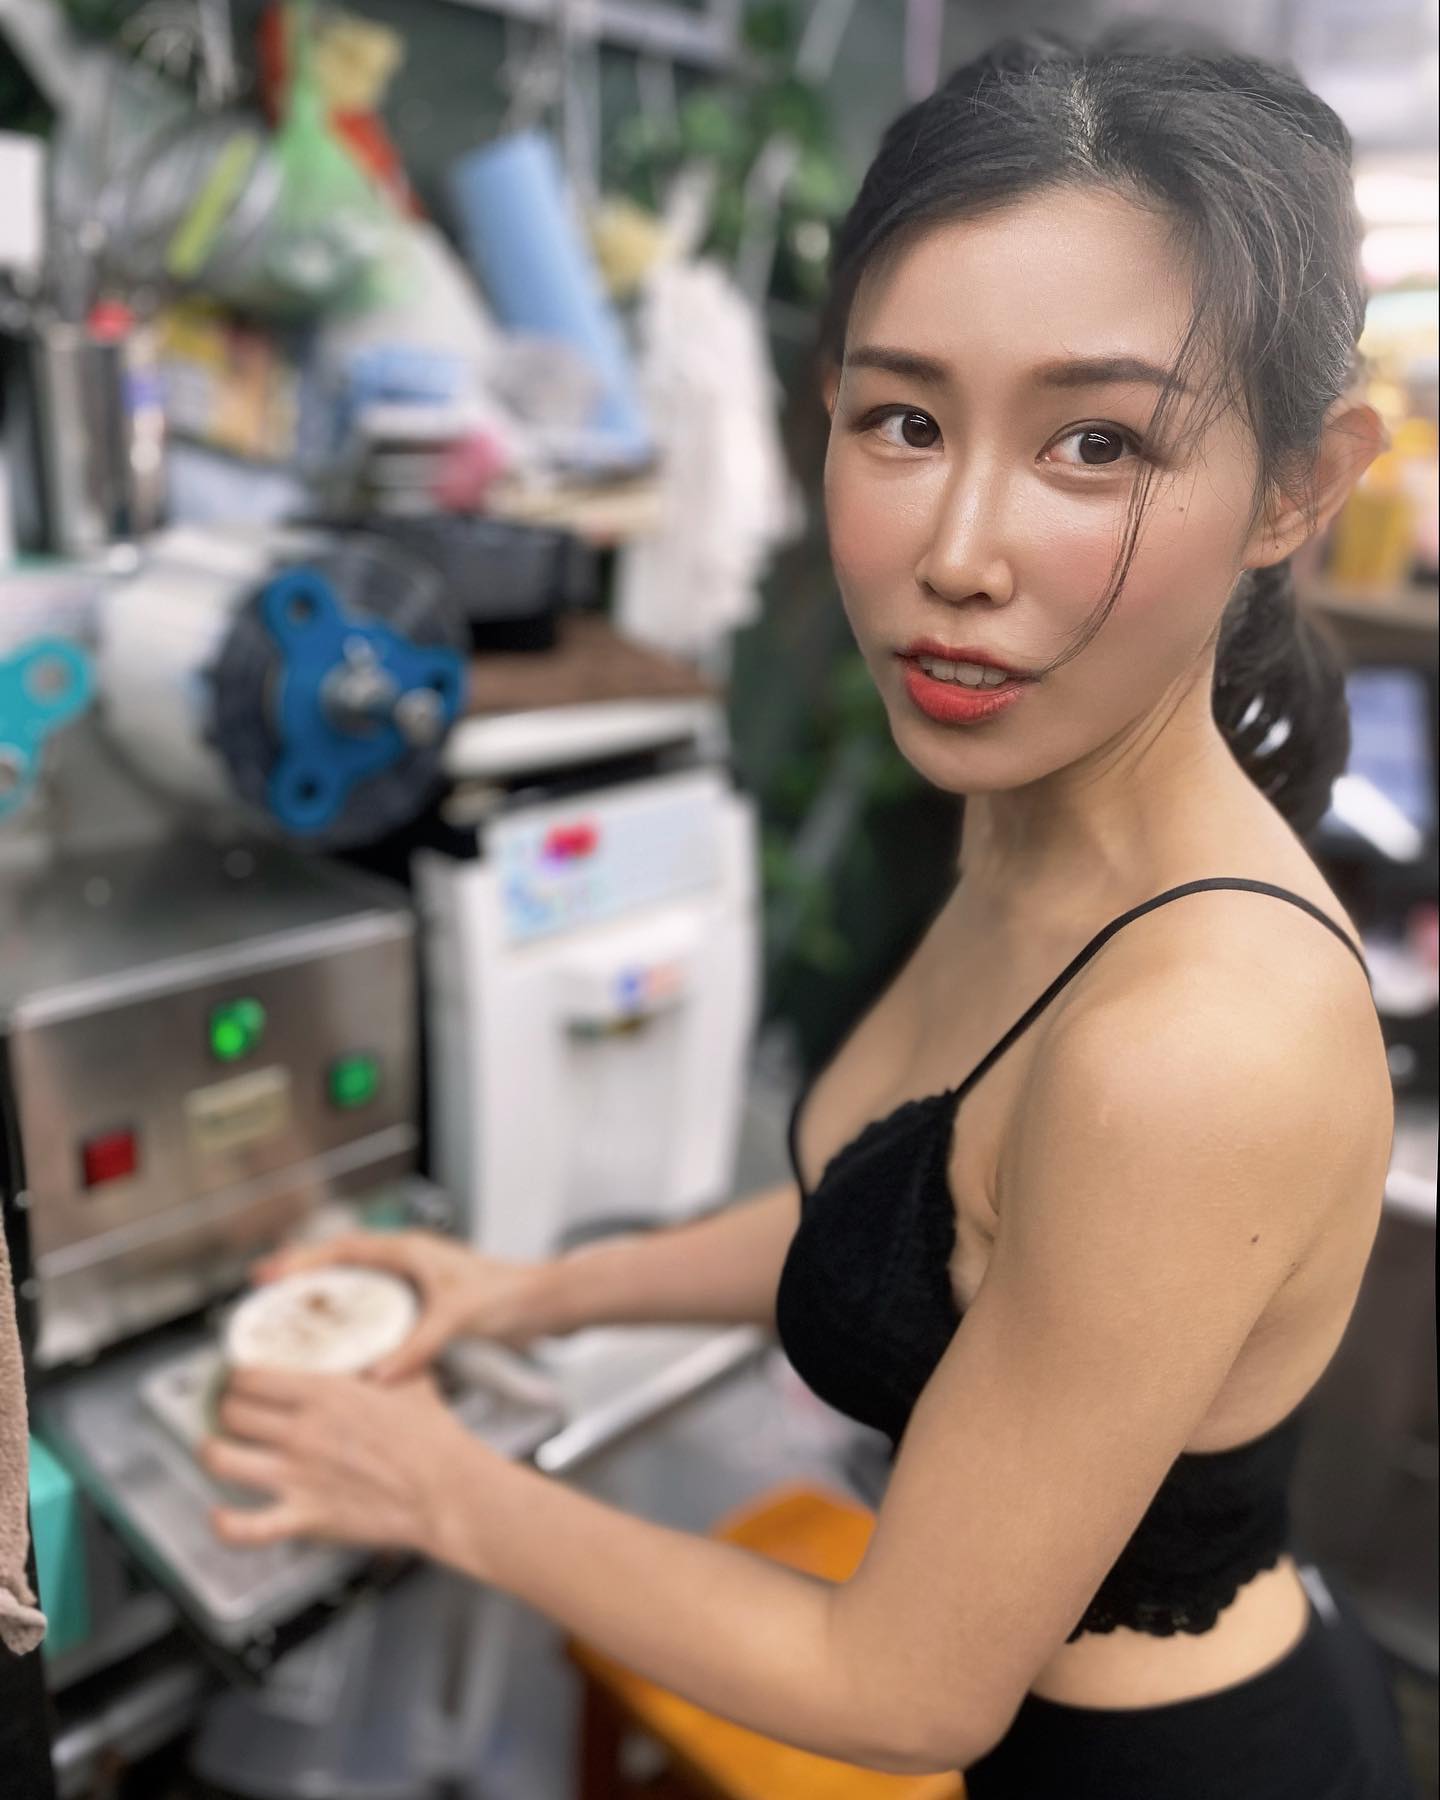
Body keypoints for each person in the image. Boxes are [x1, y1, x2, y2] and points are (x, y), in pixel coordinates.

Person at [199, 28, 1419, 1798]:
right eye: (904, 420)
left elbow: (901, 1688)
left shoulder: (1194, 1049)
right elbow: (911, 1206)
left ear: (1298, 488)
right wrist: (531, 1293)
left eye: (1095, 443)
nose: (957, 553)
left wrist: (438, 1489)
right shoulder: (1035, 821)